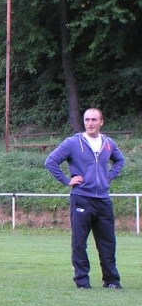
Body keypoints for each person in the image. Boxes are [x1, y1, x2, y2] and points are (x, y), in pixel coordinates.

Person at [44, 108, 125, 290]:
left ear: (101, 122)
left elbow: (119, 161)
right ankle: (82, 281)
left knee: (108, 242)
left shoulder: (108, 143)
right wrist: (67, 180)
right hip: (81, 198)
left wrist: (109, 176)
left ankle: (111, 280)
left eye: (94, 120)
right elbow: (50, 161)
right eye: (87, 119)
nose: (90, 123)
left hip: (103, 199)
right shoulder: (73, 142)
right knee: (79, 242)